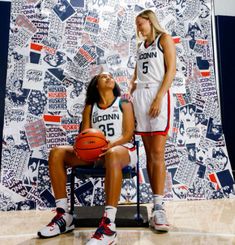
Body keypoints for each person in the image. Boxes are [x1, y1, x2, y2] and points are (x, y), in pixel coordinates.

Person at [38, 72, 137, 245]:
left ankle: (109, 225)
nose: (109, 78)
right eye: (103, 77)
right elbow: (84, 136)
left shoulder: (124, 102)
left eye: (110, 76)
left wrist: (111, 145)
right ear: (96, 85)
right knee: (57, 153)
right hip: (97, 154)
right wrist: (84, 148)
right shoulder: (90, 108)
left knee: (113, 155)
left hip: (122, 151)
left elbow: (128, 134)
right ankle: (63, 216)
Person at [129, 9, 176, 232]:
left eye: (141, 23)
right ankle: (155, 204)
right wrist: (131, 89)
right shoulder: (140, 47)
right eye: (137, 25)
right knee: (148, 154)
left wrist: (158, 97)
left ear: (150, 21)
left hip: (158, 93)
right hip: (141, 96)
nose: (139, 27)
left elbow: (171, 71)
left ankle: (159, 207)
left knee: (158, 152)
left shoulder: (163, 39)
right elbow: (137, 73)